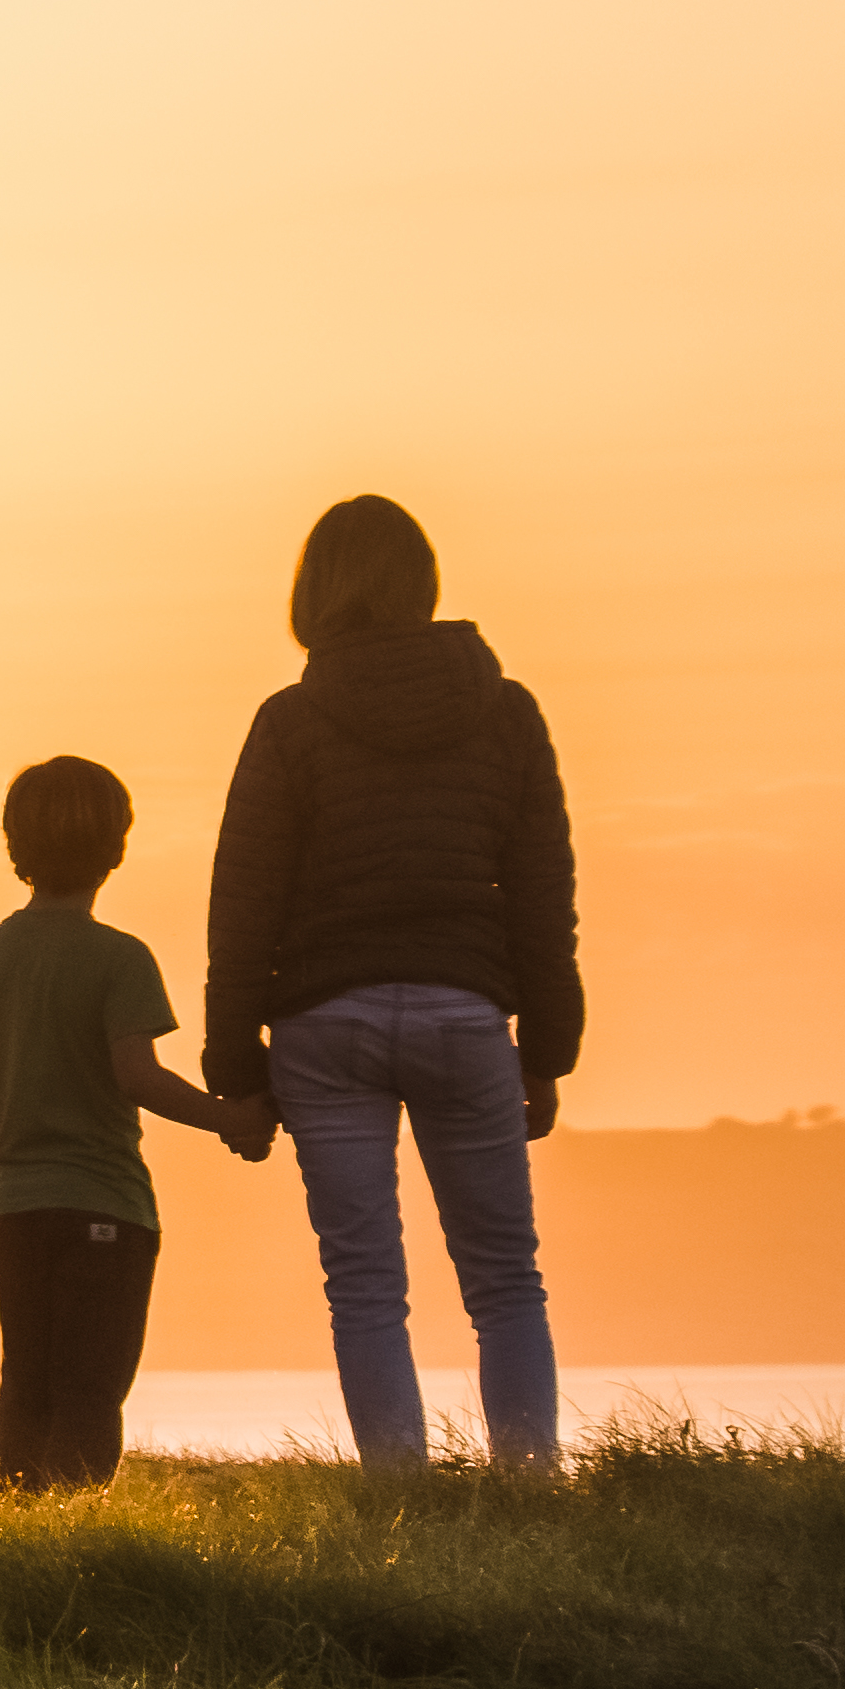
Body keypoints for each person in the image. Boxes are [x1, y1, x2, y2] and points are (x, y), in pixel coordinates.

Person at [202, 493, 583, 1471]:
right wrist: (546, 1054)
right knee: (506, 1279)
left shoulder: (289, 724)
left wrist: (235, 1066)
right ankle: (530, 1488)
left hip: (325, 1022)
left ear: (315, 591)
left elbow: (242, 905)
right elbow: (543, 898)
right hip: (464, 1013)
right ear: (424, 582)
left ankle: (400, 1499)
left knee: (365, 1282)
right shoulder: (508, 713)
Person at [0, 755, 264, 1494]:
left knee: (26, 1381)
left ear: (13, 844)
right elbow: (138, 1076)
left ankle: (17, 1527)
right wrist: (230, 1120)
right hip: (106, 1207)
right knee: (91, 1387)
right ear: (116, 847)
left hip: (20, 1204)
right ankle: (75, 1534)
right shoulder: (119, 959)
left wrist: (1, 1177)